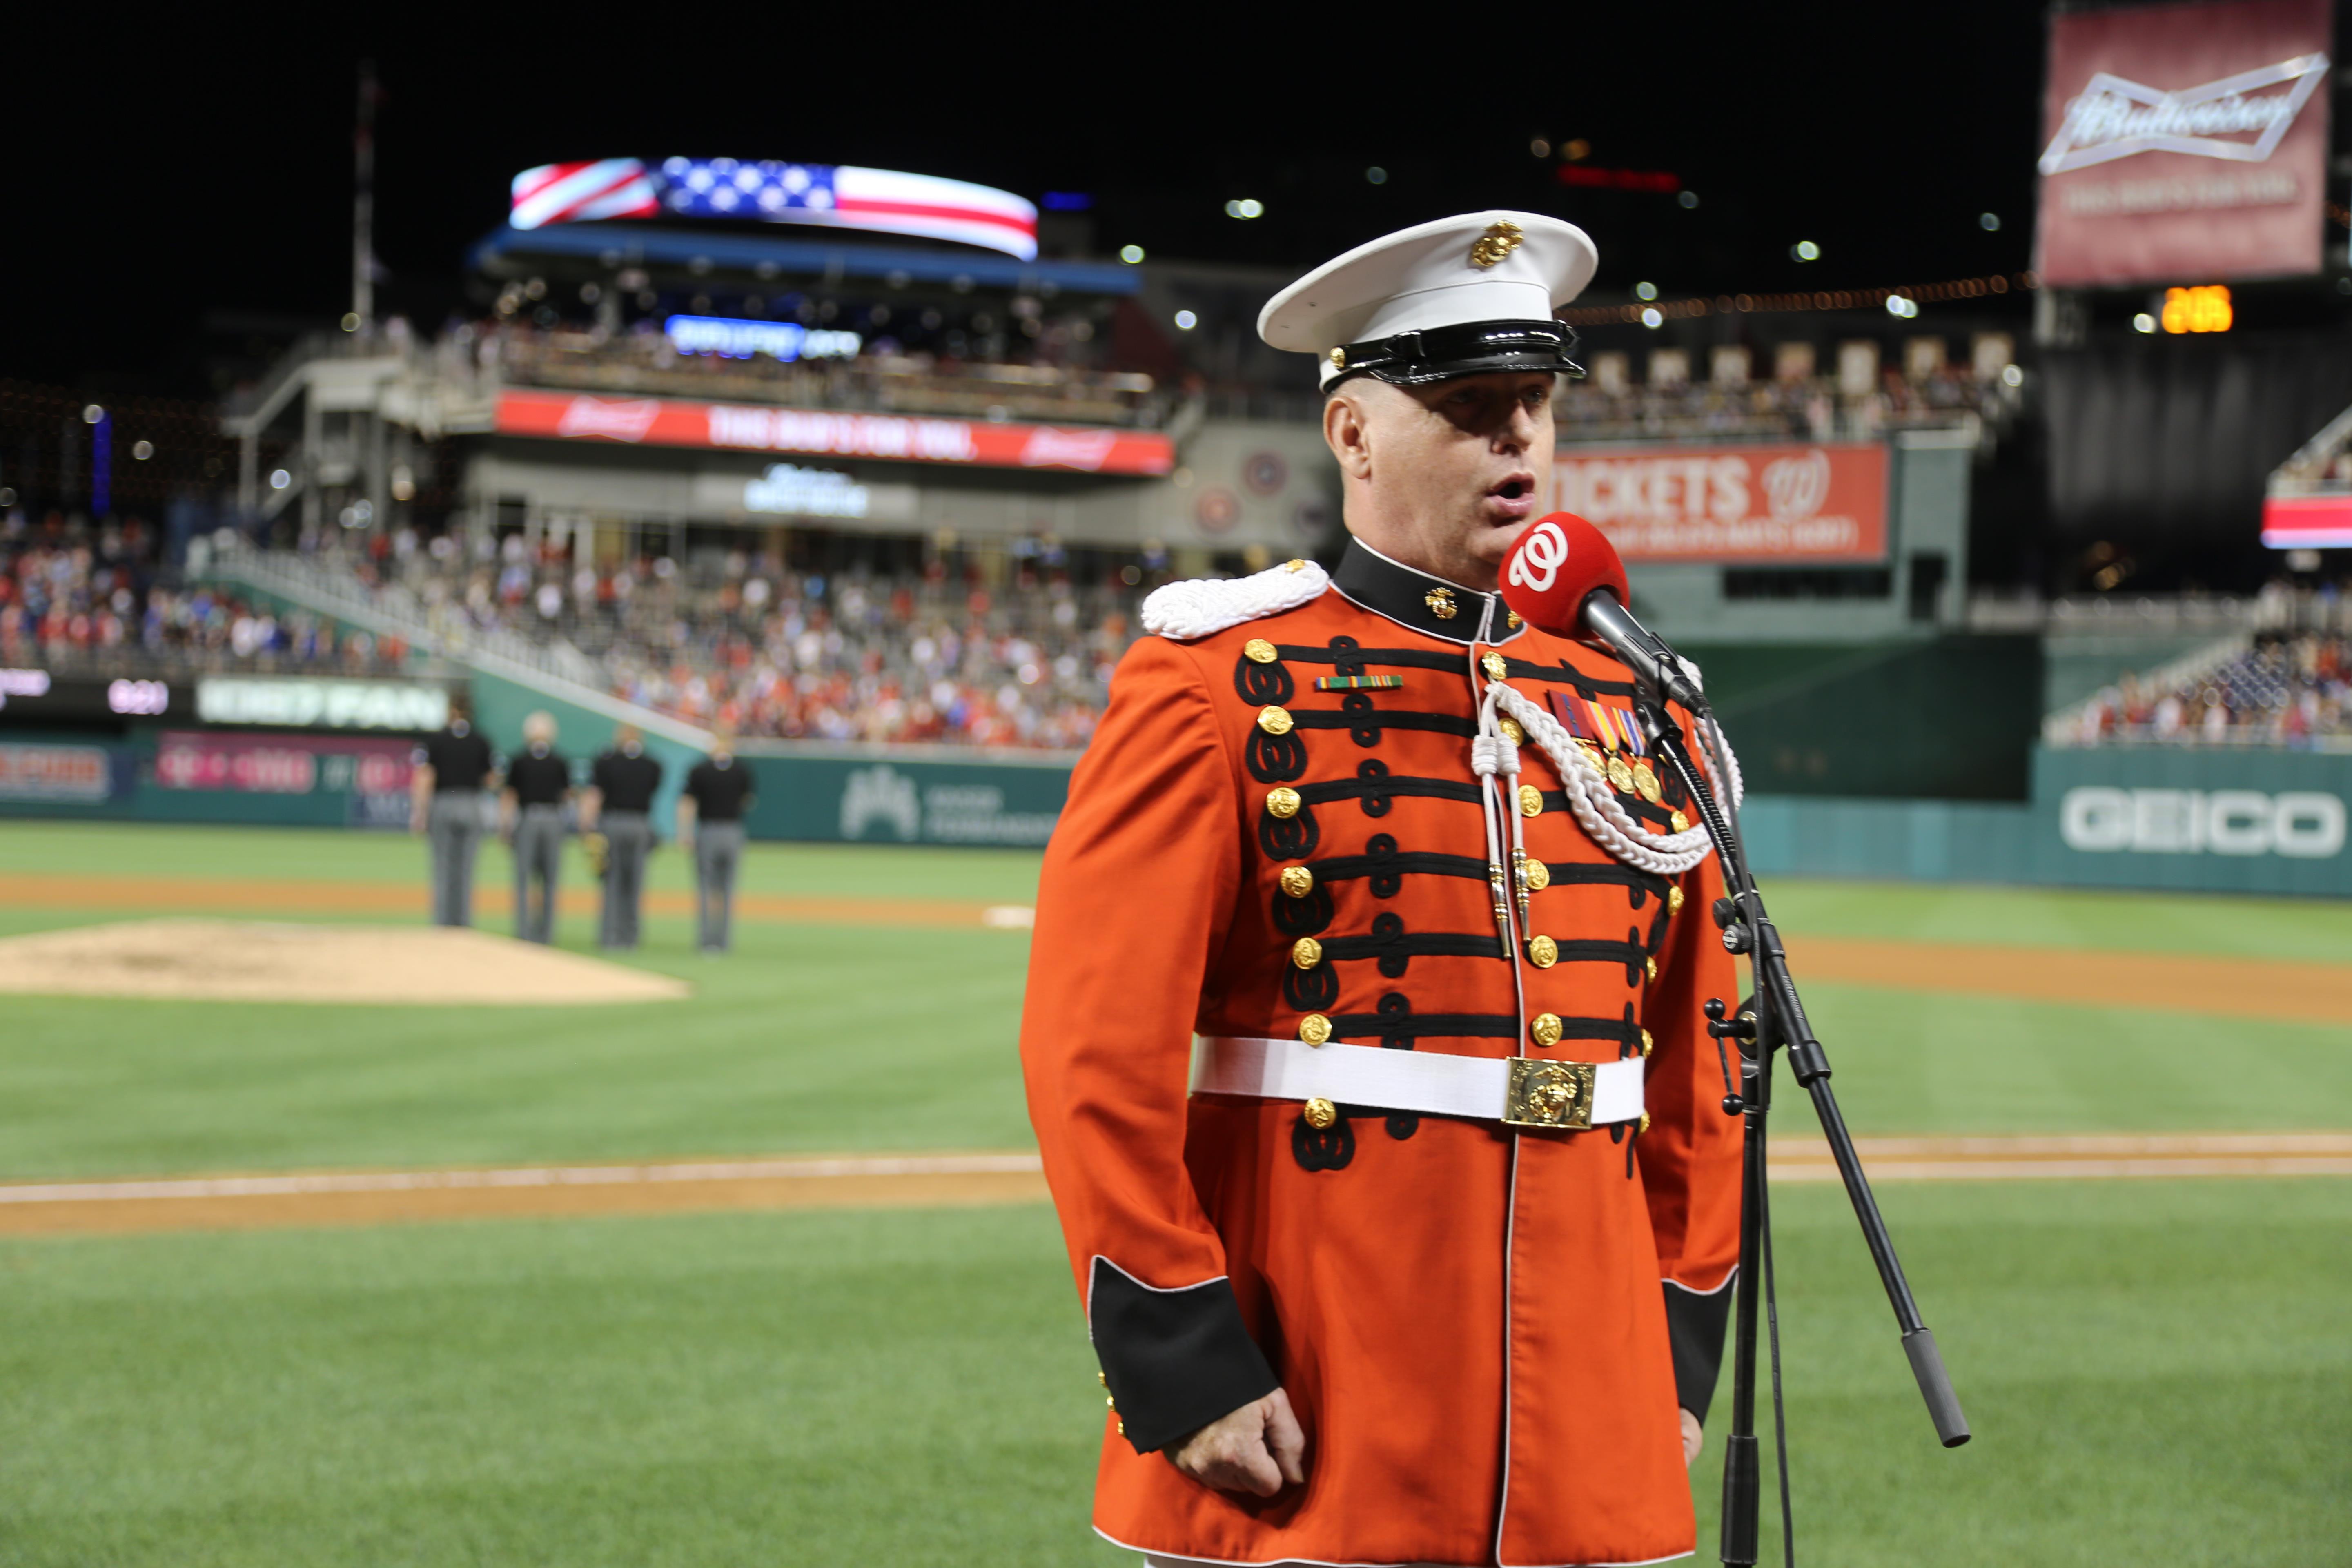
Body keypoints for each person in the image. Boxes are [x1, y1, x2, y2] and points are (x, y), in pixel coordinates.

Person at [1019, 212, 1742, 1568]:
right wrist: (1184, 1355)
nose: (1517, 438)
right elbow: (1094, 1055)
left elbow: (1697, 1068)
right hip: (1323, 1369)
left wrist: (1679, 1338)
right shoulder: (1212, 681)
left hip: (1593, 1388)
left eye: (1533, 403)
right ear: (1353, 435)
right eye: (1471, 407)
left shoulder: (1632, 702)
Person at [410, 693, 496, 927]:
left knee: (443, 868)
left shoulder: (437, 739)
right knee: (466, 869)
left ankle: (442, 926)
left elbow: (425, 776)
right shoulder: (481, 740)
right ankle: (463, 926)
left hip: (444, 802)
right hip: (471, 802)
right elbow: (492, 778)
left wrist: (419, 813)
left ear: (450, 711)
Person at [582, 722, 662, 950]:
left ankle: (610, 936)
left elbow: (595, 795)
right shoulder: (652, 764)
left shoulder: (607, 762)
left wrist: (587, 826)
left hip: (613, 822)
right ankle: (631, 937)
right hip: (640, 824)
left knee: (612, 880)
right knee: (635, 881)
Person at [678, 722, 755, 955]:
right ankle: (723, 942)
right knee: (727, 889)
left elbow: (688, 804)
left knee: (706, 888)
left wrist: (685, 833)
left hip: (709, 830)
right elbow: (748, 801)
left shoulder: (700, 770)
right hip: (732, 831)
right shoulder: (741, 770)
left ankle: (706, 942)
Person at [500, 710, 572, 944]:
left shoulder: (519, 759)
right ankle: (546, 934)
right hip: (552, 819)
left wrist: (506, 826)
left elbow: (509, 796)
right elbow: (567, 796)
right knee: (550, 878)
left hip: (529, 819)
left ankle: (524, 932)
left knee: (524, 878)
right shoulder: (559, 760)